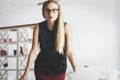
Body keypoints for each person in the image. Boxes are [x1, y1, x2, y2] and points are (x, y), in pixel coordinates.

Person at [19, 0, 76, 80]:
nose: (50, 13)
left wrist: (76, 70)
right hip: (41, 70)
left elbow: (69, 52)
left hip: (59, 70)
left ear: (58, 11)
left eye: (54, 10)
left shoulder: (66, 27)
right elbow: (34, 51)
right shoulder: (38, 27)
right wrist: (25, 74)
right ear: (43, 12)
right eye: (47, 10)